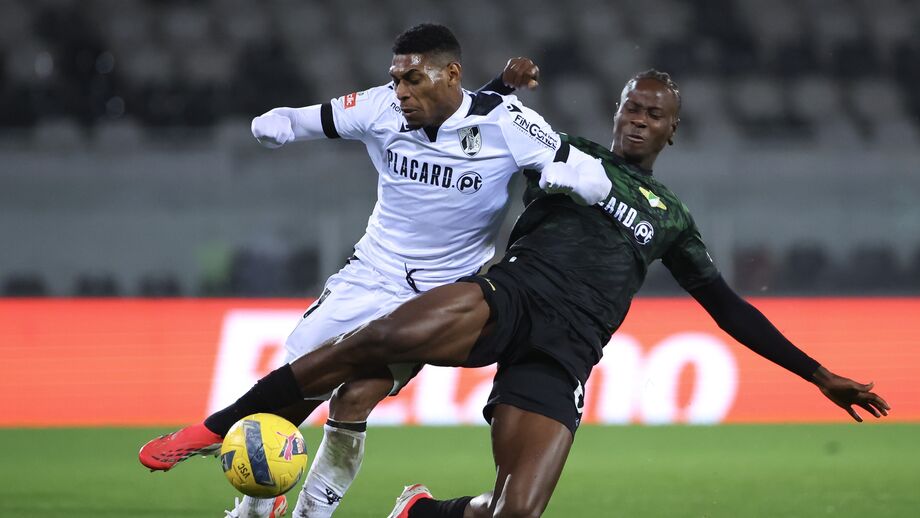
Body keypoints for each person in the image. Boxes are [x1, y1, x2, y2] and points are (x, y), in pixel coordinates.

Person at [142, 71, 891, 517]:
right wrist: (496, 85)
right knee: (374, 341)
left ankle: (421, 512)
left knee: (517, 510)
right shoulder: (568, 154)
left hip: (567, 350)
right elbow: (481, 123)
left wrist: (816, 373)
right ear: (618, 112)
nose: (637, 119)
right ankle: (218, 426)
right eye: (631, 106)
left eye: (653, 113)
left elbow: (728, 308)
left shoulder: (673, 219)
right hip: (510, 296)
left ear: (673, 132)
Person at [138, 24, 608, 518]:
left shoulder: (507, 122)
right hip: (371, 272)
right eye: (396, 78)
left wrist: (571, 180)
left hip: (440, 296)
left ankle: (307, 512)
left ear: (451, 75)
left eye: (413, 79)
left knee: (354, 398)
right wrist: (276, 125)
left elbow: (593, 176)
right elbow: (302, 119)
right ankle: (258, 505)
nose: (400, 91)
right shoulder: (380, 106)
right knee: (297, 375)